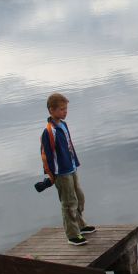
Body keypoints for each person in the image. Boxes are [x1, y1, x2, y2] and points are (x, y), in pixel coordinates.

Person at [40, 93, 95, 246]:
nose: (65, 112)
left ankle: (80, 224)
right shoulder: (49, 131)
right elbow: (46, 155)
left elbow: (69, 146)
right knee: (68, 201)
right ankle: (72, 234)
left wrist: (74, 161)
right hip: (61, 172)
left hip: (71, 167)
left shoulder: (63, 125)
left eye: (66, 109)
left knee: (79, 196)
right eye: (62, 109)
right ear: (51, 110)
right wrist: (51, 176)